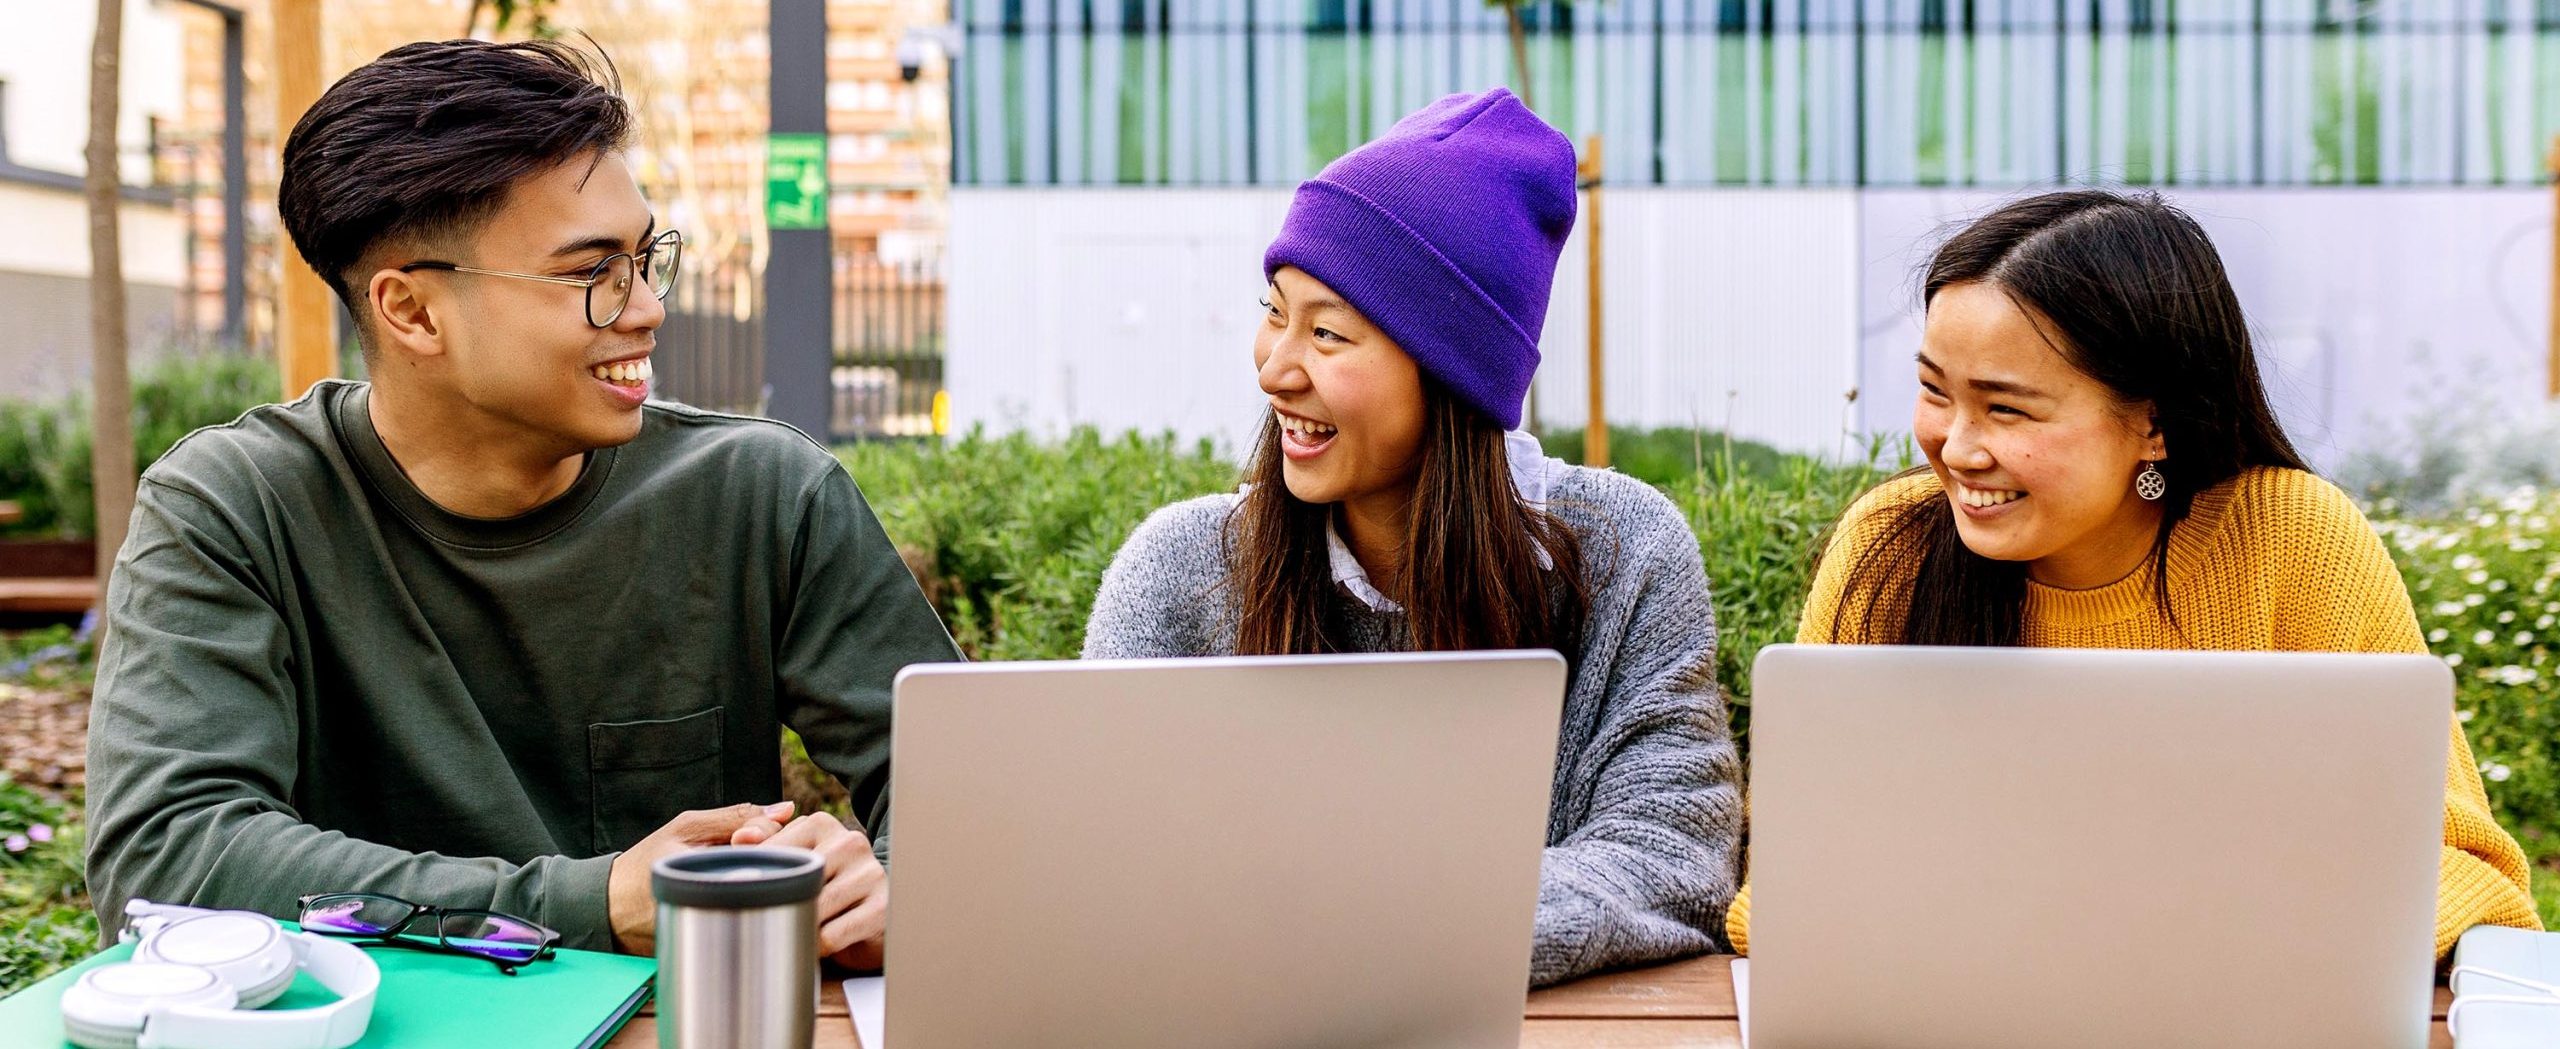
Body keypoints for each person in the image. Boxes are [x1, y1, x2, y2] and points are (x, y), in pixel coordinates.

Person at [83, 39, 960, 967]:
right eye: (591, 272)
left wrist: (886, 894)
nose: (646, 308)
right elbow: (167, 861)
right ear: (412, 312)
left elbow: (970, 798)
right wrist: (591, 902)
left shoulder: (763, 496)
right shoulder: (232, 510)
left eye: (645, 257)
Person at [1722, 189, 2542, 959]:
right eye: (1936, 392)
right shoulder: (1887, 549)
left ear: (2153, 423)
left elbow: (2464, 866)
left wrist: (2241, 942)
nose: (1958, 447)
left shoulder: (2291, 538)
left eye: (2006, 408)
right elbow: (1787, 885)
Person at [1081, 88, 1743, 987]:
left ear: (1451, 376)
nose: (1275, 367)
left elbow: (1674, 857)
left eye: (1327, 332)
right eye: (1275, 311)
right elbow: (1100, 864)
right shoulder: (1182, 569)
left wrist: (1369, 929)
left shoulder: (1629, 552)